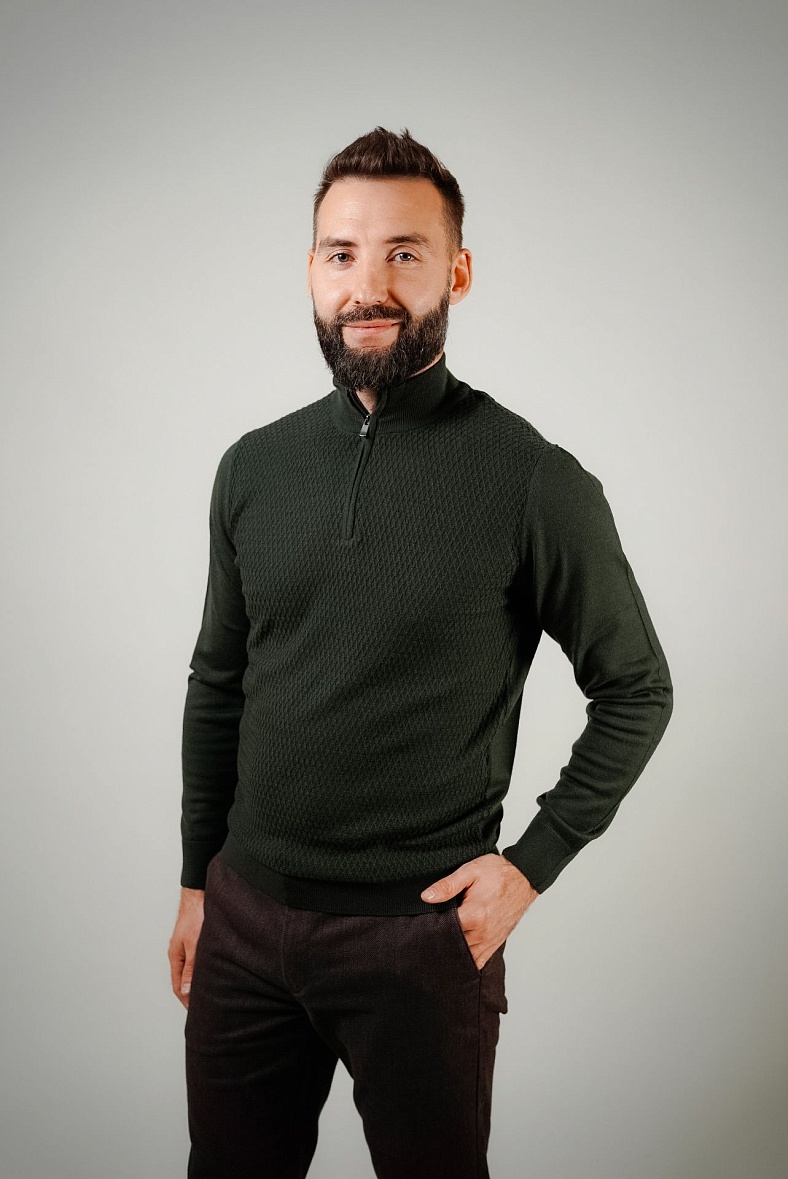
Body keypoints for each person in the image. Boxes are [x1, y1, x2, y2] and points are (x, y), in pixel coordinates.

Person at [168, 127, 673, 1179]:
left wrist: (529, 869)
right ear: (312, 270)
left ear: (458, 271)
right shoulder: (251, 468)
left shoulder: (531, 480)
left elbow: (635, 688)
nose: (368, 285)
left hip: (419, 942)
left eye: (404, 252)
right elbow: (219, 682)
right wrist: (197, 883)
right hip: (246, 924)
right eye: (341, 253)